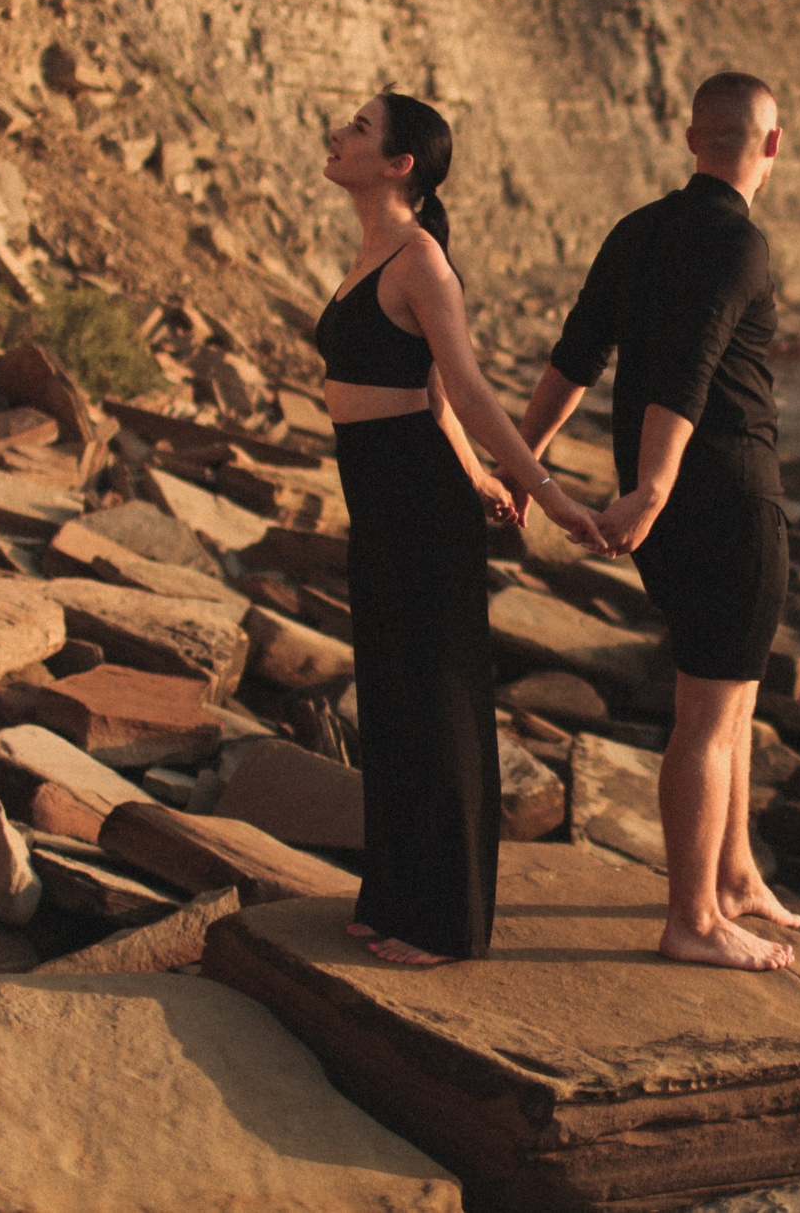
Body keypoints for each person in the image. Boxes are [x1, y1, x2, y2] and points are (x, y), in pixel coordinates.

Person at [515, 71, 800, 972]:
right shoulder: (739, 245)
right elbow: (688, 369)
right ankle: (693, 919)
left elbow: (577, 355)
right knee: (709, 718)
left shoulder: (637, 230)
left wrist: (521, 464)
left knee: (732, 691)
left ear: (690, 140)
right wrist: (651, 487)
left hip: (679, 505)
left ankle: (737, 873)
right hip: (721, 499)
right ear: (772, 145)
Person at [316, 92, 605, 966]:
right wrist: (481, 475)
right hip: (386, 485)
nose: (338, 132)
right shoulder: (373, 250)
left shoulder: (421, 261)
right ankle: (396, 893)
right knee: (392, 690)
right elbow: (429, 393)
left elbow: (469, 390)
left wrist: (545, 494)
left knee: (439, 698)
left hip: (414, 496)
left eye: (360, 128)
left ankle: (448, 922)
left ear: (400, 163)